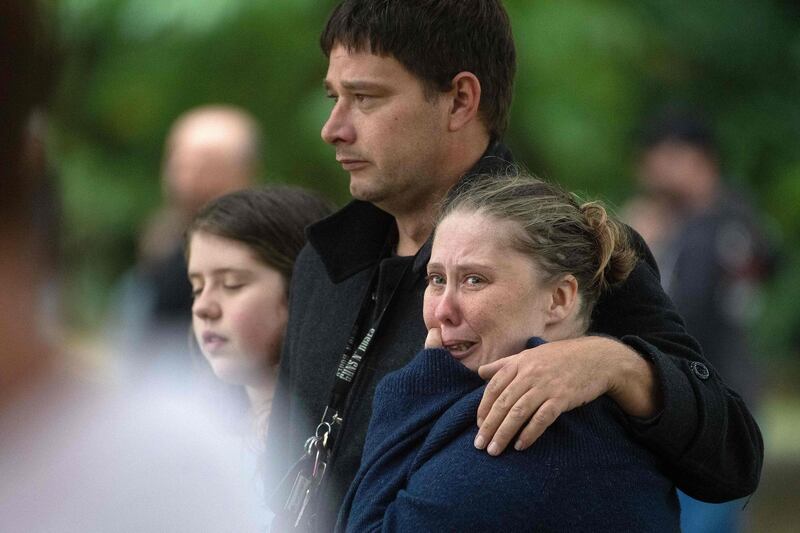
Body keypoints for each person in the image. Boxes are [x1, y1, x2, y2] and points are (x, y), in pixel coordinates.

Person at [266, 1, 762, 529]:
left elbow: (732, 458)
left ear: (460, 100)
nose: (333, 128)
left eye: (365, 98)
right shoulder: (322, 261)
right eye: (334, 98)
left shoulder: (568, 249)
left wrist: (617, 364)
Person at [339, 173, 680, 532]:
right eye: (437, 279)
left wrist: (408, 395)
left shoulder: (526, 440)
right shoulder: (587, 418)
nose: (442, 311)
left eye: (475, 280)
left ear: (558, 299)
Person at [627, 111, 776, 533]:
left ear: (697, 159)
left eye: (663, 156)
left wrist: (642, 251)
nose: (651, 169)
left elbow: (695, 312)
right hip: (681, 398)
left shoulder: (729, 224)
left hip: (718, 398)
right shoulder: (672, 222)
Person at [111, 105, 262, 379]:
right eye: (180, 163)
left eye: (206, 165)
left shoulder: (263, 256)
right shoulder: (160, 250)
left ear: (243, 172)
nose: (189, 178)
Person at [186, 186, 333, 437]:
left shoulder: (338, 436)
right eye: (197, 288)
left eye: (232, 284)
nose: (202, 307)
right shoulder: (198, 435)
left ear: (302, 286)